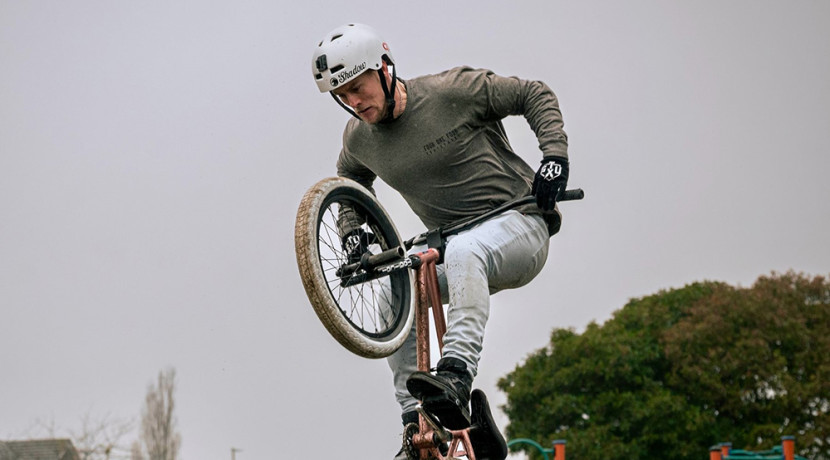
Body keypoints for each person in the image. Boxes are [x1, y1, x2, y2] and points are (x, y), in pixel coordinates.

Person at [311, 23, 570, 459]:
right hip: (449, 246)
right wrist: (352, 232)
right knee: (400, 287)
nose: (355, 102)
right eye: (343, 96)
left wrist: (554, 158)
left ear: (384, 68)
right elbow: (349, 182)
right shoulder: (358, 139)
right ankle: (419, 424)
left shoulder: (453, 91)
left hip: (520, 225)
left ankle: (456, 376)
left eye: (359, 87)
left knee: (470, 249)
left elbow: (533, 94)